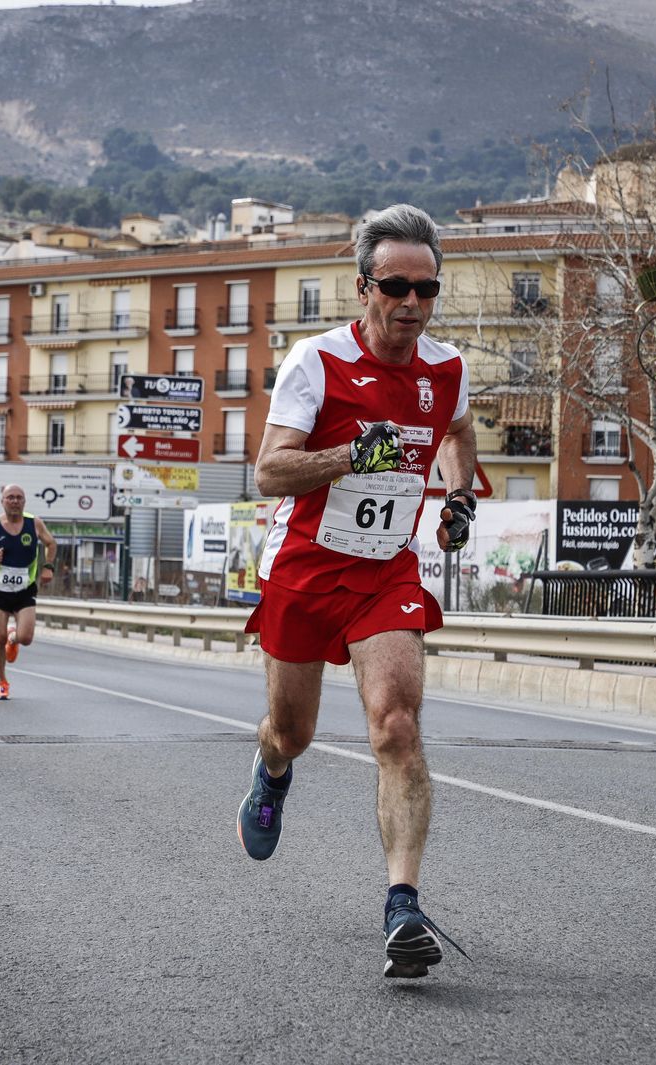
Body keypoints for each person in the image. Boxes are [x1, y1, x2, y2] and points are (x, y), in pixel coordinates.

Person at [237, 204, 478, 980]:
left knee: (397, 726)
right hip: (307, 566)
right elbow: (271, 471)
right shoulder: (316, 362)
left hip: (385, 572)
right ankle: (272, 770)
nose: (412, 302)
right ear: (363, 287)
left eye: (427, 288)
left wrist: (459, 495)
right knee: (293, 729)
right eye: (396, 287)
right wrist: (352, 454)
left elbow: (457, 431)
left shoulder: (447, 368)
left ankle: (402, 904)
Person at [0, 484, 57, 701]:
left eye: (19, 497)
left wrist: (48, 567)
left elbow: (51, 543)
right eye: (10, 497)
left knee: (26, 638)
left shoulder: (34, 523)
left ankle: (14, 637)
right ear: (2, 502)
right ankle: (2, 682)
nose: (15, 501)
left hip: (25, 589)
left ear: (24, 501)